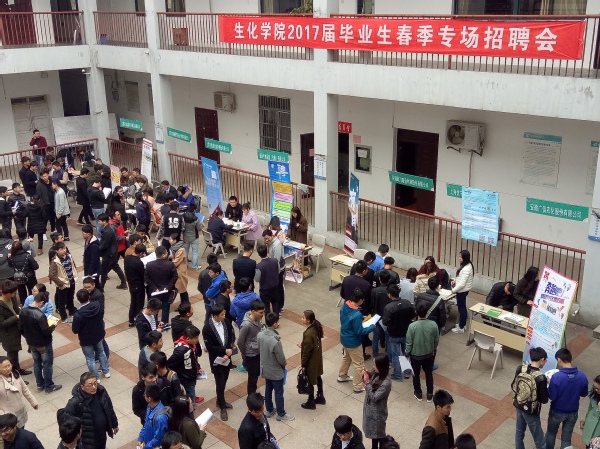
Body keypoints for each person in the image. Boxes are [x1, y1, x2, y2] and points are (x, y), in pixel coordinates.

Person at [545, 347, 589, 449]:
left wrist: (549, 385)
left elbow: (552, 396)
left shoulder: (556, 377)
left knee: (551, 433)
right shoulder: (582, 376)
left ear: (559, 359)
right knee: (566, 439)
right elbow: (584, 393)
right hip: (573, 412)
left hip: (557, 411)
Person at [19, 291, 62, 393]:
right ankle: (49, 386)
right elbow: (46, 331)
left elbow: (20, 328)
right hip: (43, 343)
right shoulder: (40, 315)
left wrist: (28, 337)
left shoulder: (23, 311)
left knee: (37, 363)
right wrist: (53, 326)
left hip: (31, 342)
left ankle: (39, 384)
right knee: (47, 364)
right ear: (41, 302)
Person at [62, 372, 119, 449]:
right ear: (82, 387)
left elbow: (109, 408)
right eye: (90, 385)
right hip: (86, 441)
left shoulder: (101, 392)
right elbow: (66, 423)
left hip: (101, 435)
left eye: (95, 383)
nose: (94, 387)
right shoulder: (75, 403)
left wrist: (114, 424)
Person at [338, 289, 376, 394]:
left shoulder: (345, 306)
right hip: (353, 342)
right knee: (358, 364)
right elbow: (360, 331)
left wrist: (361, 318)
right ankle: (358, 386)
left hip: (344, 337)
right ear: (359, 300)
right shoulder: (357, 314)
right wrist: (372, 326)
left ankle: (342, 375)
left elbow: (348, 319)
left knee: (346, 358)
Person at [258, 312, 294, 422]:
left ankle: (269, 410)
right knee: (279, 393)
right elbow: (281, 359)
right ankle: (281, 413)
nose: (278, 324)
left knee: (268, 389)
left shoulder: (260, 335)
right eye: (277, 322)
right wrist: (284, 365)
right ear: (274, 323)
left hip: (265, 368)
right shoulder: (275, 341)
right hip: (275, 370)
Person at [203, 304, 235, 420]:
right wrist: (224, 351)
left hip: (227, 357)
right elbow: (210, 347)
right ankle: (222, 406)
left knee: (224, 379)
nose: (224, 316)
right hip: (216, 360)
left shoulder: (226, 322)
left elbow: (230, 337)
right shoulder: (207, 328)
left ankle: (220, 400)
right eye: (222, 315)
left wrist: (228, 351)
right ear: (215, 316)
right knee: (220, 383)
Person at [512, 346, 548, 449]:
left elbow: (514, 386)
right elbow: (544, 400)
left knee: (519, 432)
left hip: (519, 404)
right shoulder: (541, 377)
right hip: (531, 411)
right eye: (545, 361)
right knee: (539, 439)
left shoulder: (520, 368)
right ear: (542, 359)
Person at [72, 289, 110, 380]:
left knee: (90, 358)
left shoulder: (78, 314)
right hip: (98, 334)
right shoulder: (97, 305)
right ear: (89, 297)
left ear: (78, 299)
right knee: (101, 352)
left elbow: (75, 330)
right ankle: (106, 371)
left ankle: (96, 378)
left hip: (86, 339)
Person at [406, 302, 440, 402]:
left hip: (415, 356)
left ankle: (418, 393)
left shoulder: (412, 326)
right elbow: (436, 340)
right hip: (429, 354)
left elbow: (409, 342)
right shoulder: (433, 324)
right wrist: (433, 349)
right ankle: (430, 394)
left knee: (416, 374)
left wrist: (407, 353)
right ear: (427, 312)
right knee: (429, 374)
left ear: (416, 312)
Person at [382, 284, 415, 381]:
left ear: (389, 295)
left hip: (394, 334)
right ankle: (407, 372)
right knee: (406, 353)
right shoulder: (407, 303)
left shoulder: (388, 307)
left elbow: (385, 322)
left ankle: (397, 375)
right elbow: (413, 315)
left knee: (396, 355)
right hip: (406, 332)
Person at [168, 326, 204, 405]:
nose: (197, 340)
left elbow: (193, 358)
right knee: (190, 400)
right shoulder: (181, 350)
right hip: (187, 379)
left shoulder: (191, 345)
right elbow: (170, 363)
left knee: (191, 395)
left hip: (191, 376)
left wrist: (198, 367)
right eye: (195, 338)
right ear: (188, 339)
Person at [362, 354, 392, 449]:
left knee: (379, 435)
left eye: (375, 365)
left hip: (377, 415)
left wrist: (367, 384)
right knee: (374, 436)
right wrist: (367, 375)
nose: (373, 366)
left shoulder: (386, 383)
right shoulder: (377, 374)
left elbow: (374, 397)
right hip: (371, 412)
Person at [0, 357, 38, 427]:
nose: (8, 368)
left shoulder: (16, 374)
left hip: (21, 410)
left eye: (9, 365)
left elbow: (25, 389)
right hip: (7, 416)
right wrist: (2, 414)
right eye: (4, 367)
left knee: (22, 428)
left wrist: (33, 402)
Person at [238, 300, 266, 395]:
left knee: (256, 375)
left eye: (263, 312)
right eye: (260, 312)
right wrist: (244, 352)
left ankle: (254, 394)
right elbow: (240, 341)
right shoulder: (246, 325)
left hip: (258, 351)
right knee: (252, 378)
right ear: (253, 311)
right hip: (251, 354)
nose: (262, 315)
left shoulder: (258, 319)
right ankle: (251, 396)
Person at [145, 246, 178, 324]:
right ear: (163, 255)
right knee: (165, 308)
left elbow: (146, 278)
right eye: (166, 253)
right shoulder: (170, 264)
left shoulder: (149, 265)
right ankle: (164, 324)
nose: (167, 254)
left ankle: (154, 323)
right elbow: (175, 276)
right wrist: (168, 287)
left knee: (154, 308)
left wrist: (154, 288)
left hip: (154, 292)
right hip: (166, 291)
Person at [0, 281, 27, 375]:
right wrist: (16, 317)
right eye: (14, 292)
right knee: (12, 353)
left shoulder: (12, 298)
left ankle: (17, 369)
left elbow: (16, 309)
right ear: (8, 293)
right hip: (8, 334)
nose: (16, 294)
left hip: (16, 329)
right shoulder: (1, 305)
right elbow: (2, 323)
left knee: (15, 352)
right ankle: (13, 373)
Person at [300, 310, 326, 409]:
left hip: (311, 362)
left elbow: (306, 352)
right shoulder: (316, 328)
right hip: (317, 359)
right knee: (318, 377)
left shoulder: (308, 333)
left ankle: (310, 401)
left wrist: (303, 364)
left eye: (303, 318)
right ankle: (320, 396)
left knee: (310, 380)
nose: (302, 319)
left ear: (308, 320)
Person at [49, 242, 78, 323]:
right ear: (57, 251)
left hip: (71, 281)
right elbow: (52, 275)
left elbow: (73, 266)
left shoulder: (69, 256)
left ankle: (72, 312)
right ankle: (64, 317)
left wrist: (75, 277)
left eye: (64, 248)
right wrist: (60, 284)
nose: (64, 250)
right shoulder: (55, 261)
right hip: (63, 285)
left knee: (70, 298)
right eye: (61, 249)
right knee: (62, 302)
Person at [97, 214, 127, 290]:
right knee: (116, 267)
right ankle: (123, 283)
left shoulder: (107, 231)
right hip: (112, 253)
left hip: (109, 254)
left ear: (105, 221)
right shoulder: (107, 229)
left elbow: (105, 244)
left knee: (104, 271)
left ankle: (101, 287)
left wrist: (97, 249)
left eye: (100, 221)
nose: (99, 222)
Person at [138, 384, 169, 449]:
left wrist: (145, 447)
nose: (144, 396)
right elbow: (146, 424)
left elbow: (158, 439)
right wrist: (141, 438)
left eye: (145, 395)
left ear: (149, 399)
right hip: (146, 442)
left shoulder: (160, 418)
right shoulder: (149, 406)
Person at [451, 250, 474, 334]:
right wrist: (455, 280)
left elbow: (462, 284)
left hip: (462, 291)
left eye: (460, 257)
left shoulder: (466, 269)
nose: (459, 258)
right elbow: (461, 278)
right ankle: (462, 324)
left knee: (461, 308)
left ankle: (461, 327)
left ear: (464, 258)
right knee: (462, 307)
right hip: (463, 290)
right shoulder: (467, 265)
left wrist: (453, 290)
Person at [9, 241, 39, 306]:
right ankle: (33, 304)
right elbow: (36, 266)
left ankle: (24, 305)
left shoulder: (11, 257)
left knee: (22, 293)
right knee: (32, 292)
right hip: (30, 277)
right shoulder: (28, 256)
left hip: (18, 278)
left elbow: (10, 265)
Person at [263, 230, 286, 313]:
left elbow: (276, 261)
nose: (266, 240)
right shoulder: (269, 243)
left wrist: (273, 272)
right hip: (273, 268)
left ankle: (280, 306)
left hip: (278, 270)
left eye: (267, 238)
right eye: (265, 239)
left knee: (278, 288)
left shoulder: (277, 245)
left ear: (272, 236)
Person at [370, 270, 391, 358]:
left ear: (379, 278)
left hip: (376, 317)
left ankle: (375, 355)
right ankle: (388, 355)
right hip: (387, 318)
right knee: (388, 338)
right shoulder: (390, 292)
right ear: (389, 280)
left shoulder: (374, 290)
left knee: (375, 337)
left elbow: (371, 304)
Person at [125, 243, 147, 327]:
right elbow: (142, 274)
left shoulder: (127, 258)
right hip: (139, 284)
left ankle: (131, 320)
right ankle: (138, 320)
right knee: (139, 303)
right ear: (141, 253)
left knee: (133, 302)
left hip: (131, 283)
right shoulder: (139, 263)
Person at [254, 245, 280, 315]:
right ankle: (276, 319)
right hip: (275, 286)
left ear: (259, 254)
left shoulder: (258, 266)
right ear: (267, 251)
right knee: (275, 303)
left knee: (266, 307)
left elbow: (257, 279)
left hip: (264, 289)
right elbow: (278, 271)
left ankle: (268, 320)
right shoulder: (275, 261)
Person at [182, 203, 203, 271]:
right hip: (194, 237)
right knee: (195, 252)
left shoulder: (183, 216)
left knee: (185, 251)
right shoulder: (196, 219)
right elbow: (199, 229)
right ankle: (194, 266)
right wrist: (201, 224)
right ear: (194, 210)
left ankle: (184, 265)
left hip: (185, 237)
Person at [170, 233, 189, 304]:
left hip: (180, 271)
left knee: (183, 289)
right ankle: (184, 304)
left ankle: (186, 304)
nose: (169, 240)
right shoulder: (174, 247)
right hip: (177, 270)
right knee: (181, 289)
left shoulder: (181, 249)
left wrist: (168, 264)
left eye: (171, 239)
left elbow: (176, 261)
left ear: (175, 240)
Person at [581, 374, 600, 449]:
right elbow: (590, 408)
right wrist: (585, 421)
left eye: (598, 389)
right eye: (595, 387)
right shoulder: (594, 393)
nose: (596, 390)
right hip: (591, 425)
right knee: (588, 445)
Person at [36, 169, 55, 236]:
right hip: (45, 204)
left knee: (53, 217)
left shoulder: (52, 182)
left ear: (48, 175)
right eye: (43, 176)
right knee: (45, 219)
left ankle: (53, 230)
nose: (45, 177)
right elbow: (38, 195)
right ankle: (43, 233)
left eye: (46, 176)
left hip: (52, 202)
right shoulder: (39, 185)